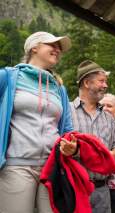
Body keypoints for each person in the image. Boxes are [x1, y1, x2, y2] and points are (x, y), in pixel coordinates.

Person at [0, 31, 76, 213]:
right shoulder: (8, 77)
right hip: (15, 166)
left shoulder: (59, 88)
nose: (58, 50)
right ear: (34, 47)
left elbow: (67, 128)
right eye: (52, 45)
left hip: (51, 169)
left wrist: (72, 146)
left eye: (60, 48)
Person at [70, 60, 115, 213]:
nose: (105, 85)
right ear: (86, 82)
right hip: (74, 189)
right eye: (101, 81)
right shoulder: (66, 112)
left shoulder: (109, 118)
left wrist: (102, 156)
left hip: (102, 191)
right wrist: (103, 157)